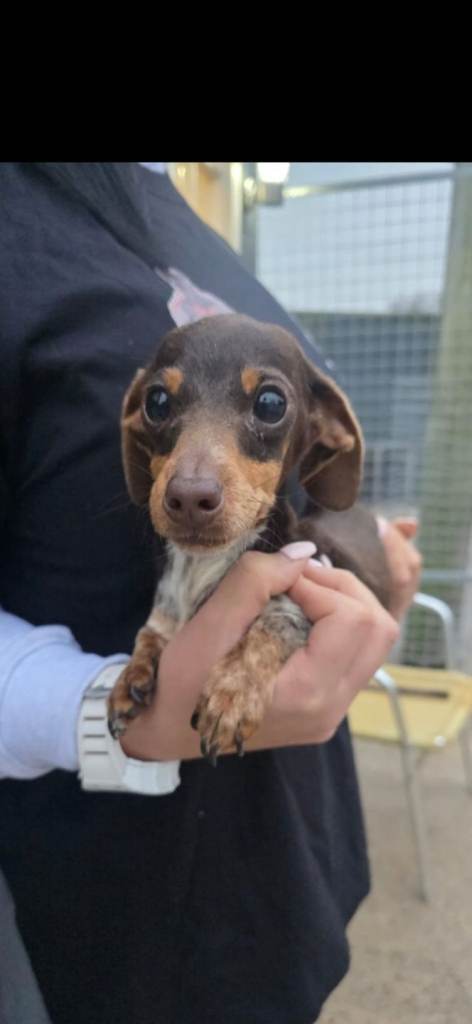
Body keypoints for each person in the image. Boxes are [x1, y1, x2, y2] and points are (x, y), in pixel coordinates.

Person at [0, 163, 421, 1024]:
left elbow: (315, 489)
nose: (194, 479)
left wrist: (372, 545)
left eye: (264, 406)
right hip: (113, 905)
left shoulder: (166, 198)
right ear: (138, 426)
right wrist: (101, 713)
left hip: (288, 866)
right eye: (163, 407)